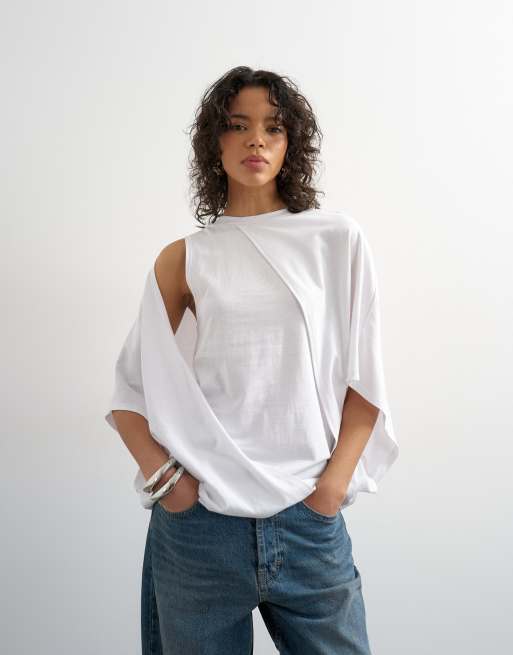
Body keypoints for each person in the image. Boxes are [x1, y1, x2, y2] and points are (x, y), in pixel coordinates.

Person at [105, 66, 399, 655]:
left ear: (292, 144)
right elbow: (129, 394)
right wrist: (174, 489)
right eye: (237, 126)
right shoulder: (185, 258)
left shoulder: (336, 240)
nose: (256, 140)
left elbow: (365, 384)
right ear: (214, 144)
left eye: (273, 127)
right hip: (200, 531)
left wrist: (330, 491)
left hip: (308, 521)